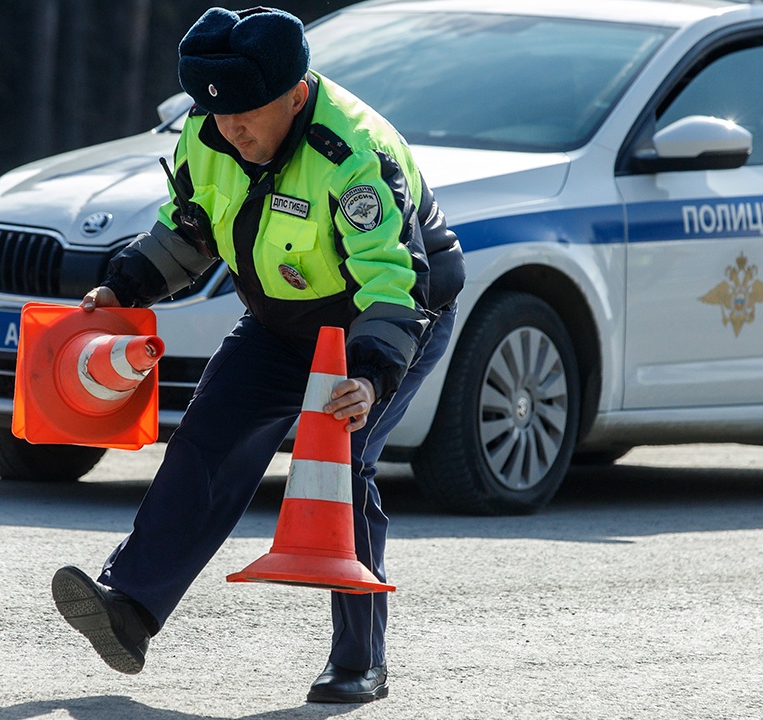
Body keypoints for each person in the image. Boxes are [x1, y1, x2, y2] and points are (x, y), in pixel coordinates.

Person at [51, 6, 464, 704]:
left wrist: (368, 375)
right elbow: (189, 227)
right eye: (219, 118)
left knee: (344, 465)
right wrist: (124, 287)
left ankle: (360, 663)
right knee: (207, 438)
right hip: (279, 321)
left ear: (296, 95)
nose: (231, 131)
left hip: (382, 321)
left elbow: (397, 279)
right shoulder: (209, 133)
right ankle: (131, 607)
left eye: (246, 115)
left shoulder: (352, 154)